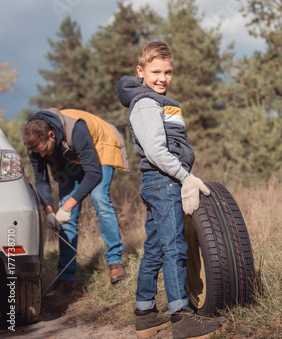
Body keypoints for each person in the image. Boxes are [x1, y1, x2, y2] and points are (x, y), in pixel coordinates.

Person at [117, 42, 222, 339]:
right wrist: (185, 176)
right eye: (155, 72)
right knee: (175, 247)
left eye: (168, 72)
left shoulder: (158, 100)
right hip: (163, 181)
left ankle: (146, 314)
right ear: (141, 72)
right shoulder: (146, 102)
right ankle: (182, 316)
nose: (162, 78)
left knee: (154, 248)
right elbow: (155, 150)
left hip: (160, 181)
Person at [22, 108, 129, 297]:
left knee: (99, 198)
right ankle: (66, 279)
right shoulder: (36, 146)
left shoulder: (76, 129)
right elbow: (41, 180)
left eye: (45, 150)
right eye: (39, 153)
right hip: (69, 157)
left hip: (99, 146)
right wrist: (49, 212)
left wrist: (67, 206)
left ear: (51, 134)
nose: (44, 156)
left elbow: (94, 173)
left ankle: (115, 263)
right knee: (66, 217)